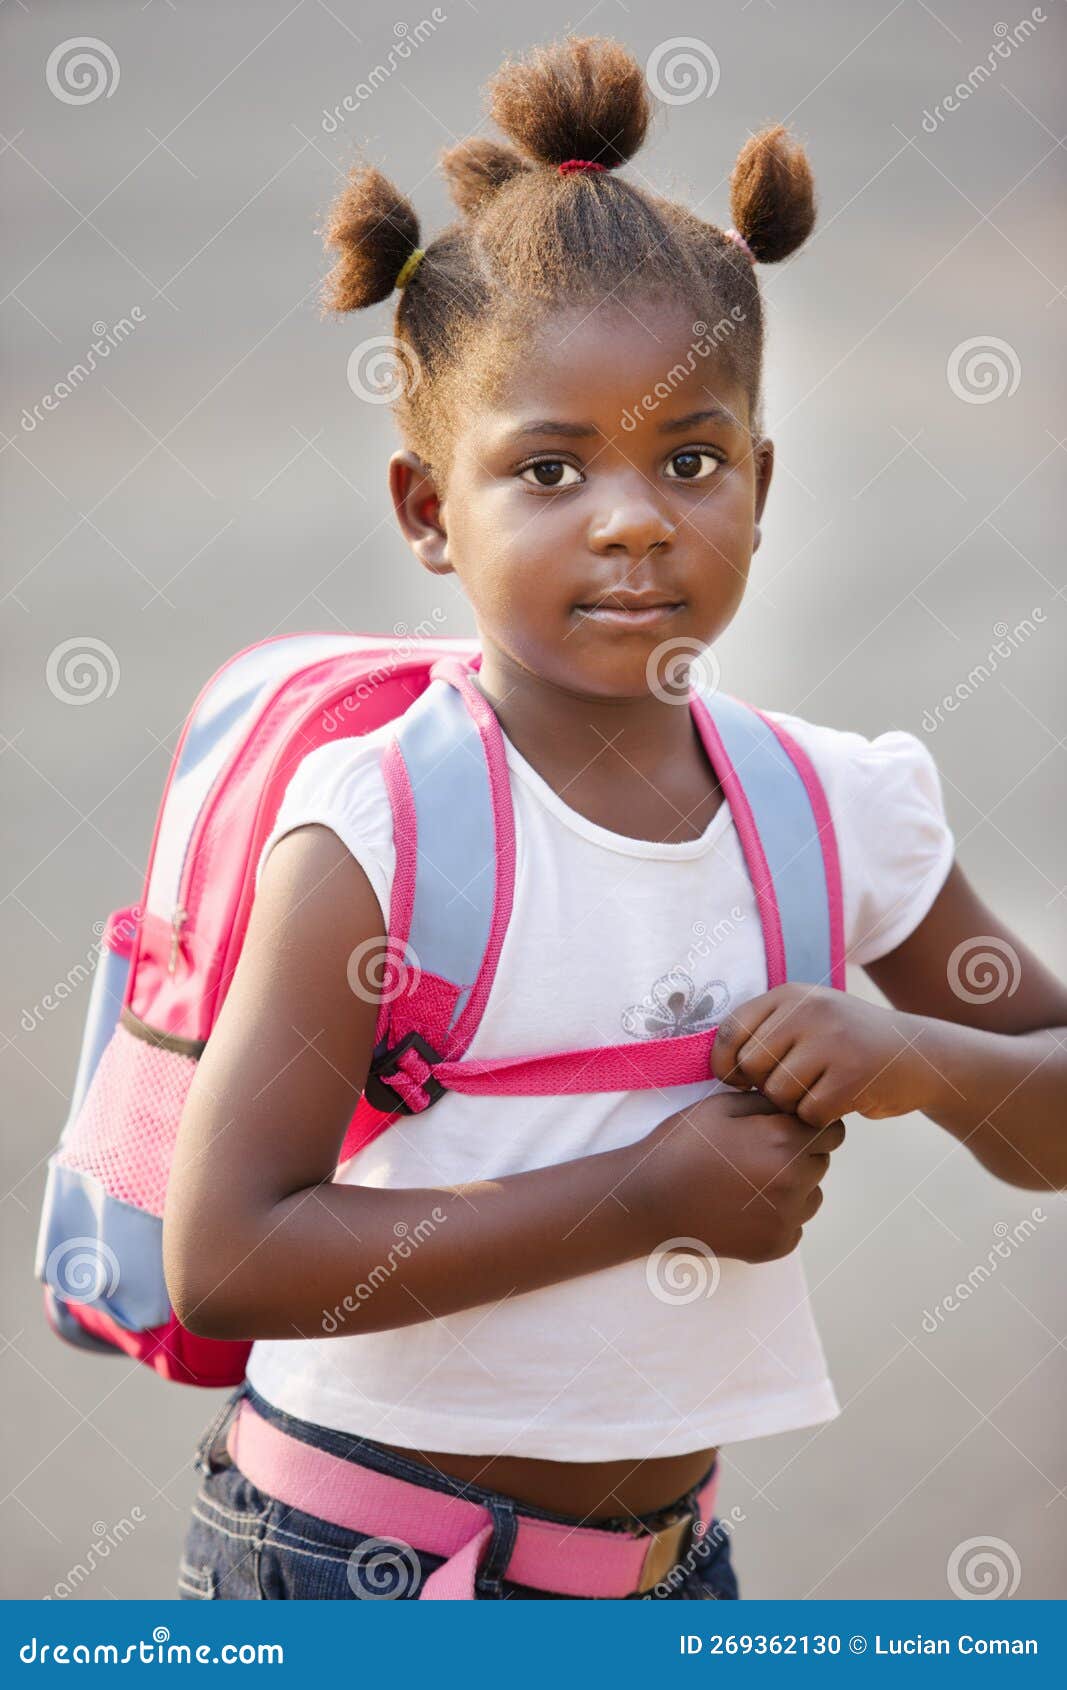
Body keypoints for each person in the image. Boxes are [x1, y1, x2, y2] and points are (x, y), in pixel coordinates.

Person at [163, 34, 1067, 1602]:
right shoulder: (378, 827)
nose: (635, 515)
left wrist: (922, 1058)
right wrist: (641, 1197)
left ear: (764, 488)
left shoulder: (833, 806)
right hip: (348, 1561)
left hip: (665, 1570)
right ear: (431, 511)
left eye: (692, 458)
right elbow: (230, 1255)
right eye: (552, 468)